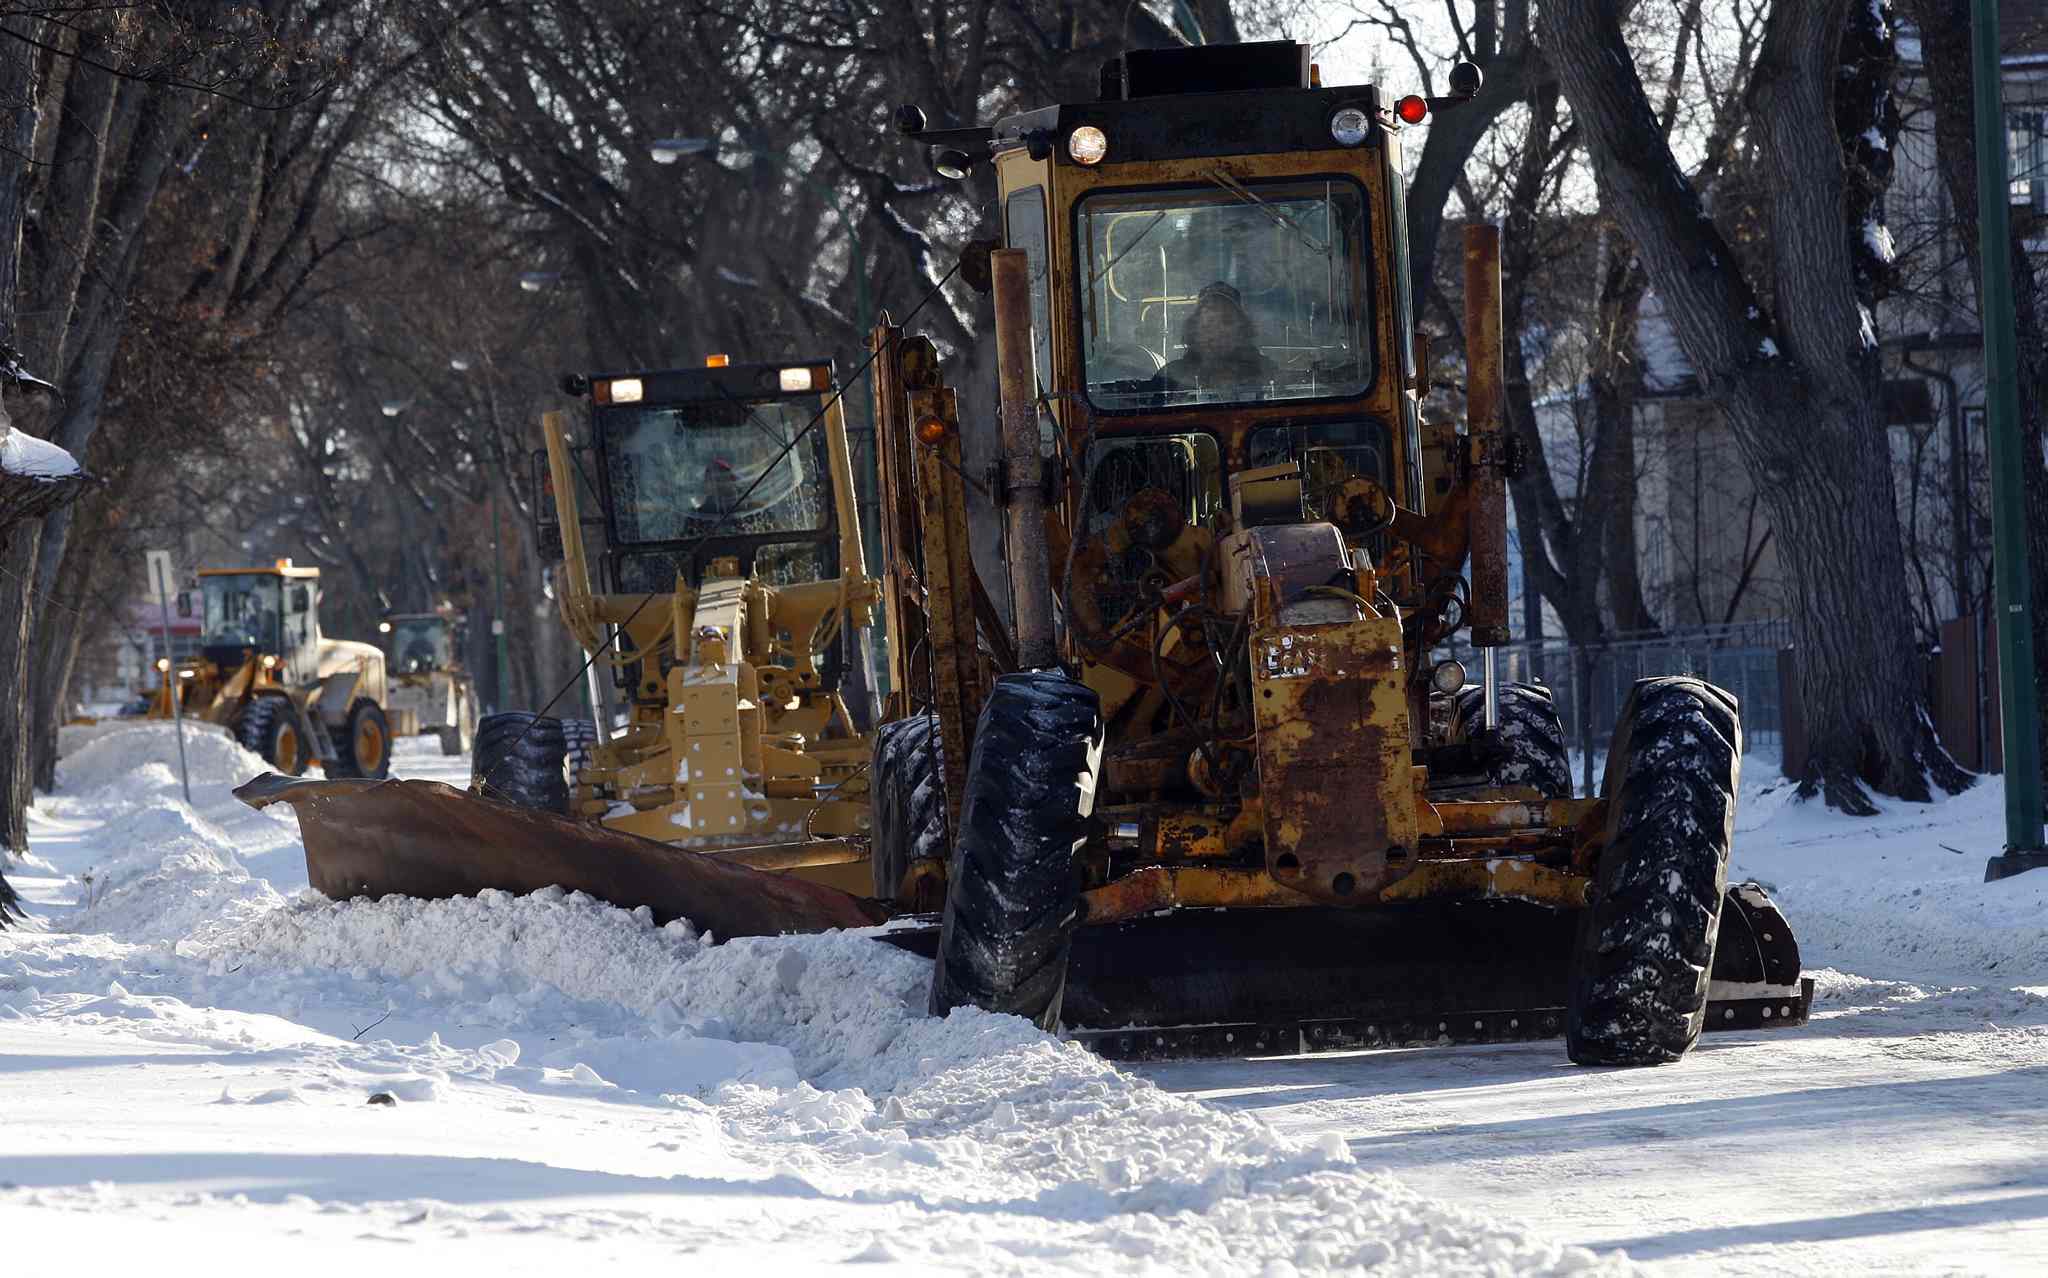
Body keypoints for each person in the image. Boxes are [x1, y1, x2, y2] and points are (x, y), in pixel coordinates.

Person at [1156, 281, 1277, 396]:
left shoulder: (1267, 371)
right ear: (1194, 330)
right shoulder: (1171, 377)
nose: (1218, 330)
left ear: (1243, 328)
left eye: (1227, 321)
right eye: (1209, 322)